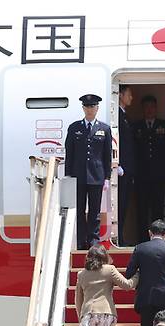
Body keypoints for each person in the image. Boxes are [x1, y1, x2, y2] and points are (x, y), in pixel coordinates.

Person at [65, 94, 112, 250]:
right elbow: (69, 153)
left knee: (95, 212)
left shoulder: (104, 128)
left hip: (96, 176)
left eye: (93, 106)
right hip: (78, 176)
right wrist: (68, 175)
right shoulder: (74, 128)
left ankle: (93, 241)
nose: (90, 109)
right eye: (87, 106)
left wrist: (107, 177)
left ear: (97, 108)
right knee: (78, 210)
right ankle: (79, 240)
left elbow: (107, 155)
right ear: (83, 108)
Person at [126, 219, 165, 326]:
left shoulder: (140, 248)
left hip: (146, 297)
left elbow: (129, 273)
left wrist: (142, 273)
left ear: (150, 233)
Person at [134, 95, 165, 243]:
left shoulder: (164, 125)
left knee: (158, 208)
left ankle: (159, 238)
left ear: (156, 108)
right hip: (141, 176)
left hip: (159, 175)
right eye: (146, 107)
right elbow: (133, 152)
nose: (149, 110)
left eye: (152, 107)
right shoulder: (136, 126)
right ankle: (142, 240)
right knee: (142, 210)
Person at [117, 85, 136, 246]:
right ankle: (119, 238)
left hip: (128, 168)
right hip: (122, 169)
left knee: (124, 204)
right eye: (129, 94)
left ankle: (121, 237)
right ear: (120, 95)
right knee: (120, 204)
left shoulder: (125, 116)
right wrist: (119, 164)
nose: (131, 98)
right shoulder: (116, 115)